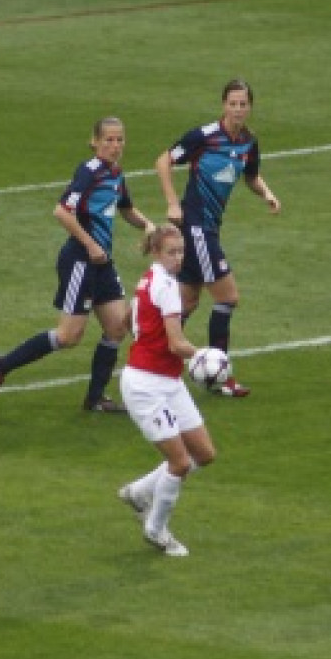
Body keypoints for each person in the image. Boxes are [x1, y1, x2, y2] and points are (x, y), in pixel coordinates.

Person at [0, 116, 156, 414]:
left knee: (117, 328)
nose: (115, 146)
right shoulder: (88, 172)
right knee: (68, 336)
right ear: (95, 142)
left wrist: (148, 225)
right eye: (109, 140)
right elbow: (62, 212)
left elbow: (126, 209)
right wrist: (90, 245)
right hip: (80, 260)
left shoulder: (115, 173)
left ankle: (95, 398)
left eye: (120, 140)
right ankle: (2, 365)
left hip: (102, 263)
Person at [154, 78, 281, 398]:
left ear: (250, 107)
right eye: (233, 104)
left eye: (243, 104)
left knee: (188, 300)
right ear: (223, 105)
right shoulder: (204, 136)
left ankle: (152, 356)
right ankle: (219, 376)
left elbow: (250, 176)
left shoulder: (249, 142)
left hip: (210, 226)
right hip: (196, 227)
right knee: (228, 298)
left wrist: (266, 193)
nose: (238, 110)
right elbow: (163, 161)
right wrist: (172, 202)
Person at [116, 225, 218, 557]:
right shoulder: (167, 287)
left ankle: (140, 492)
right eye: (172, 252)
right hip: (146, 385)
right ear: (158, 252)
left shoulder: (147, 279)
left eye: (181, 252)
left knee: (203, 454)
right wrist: (204, 355)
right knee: (179, 463)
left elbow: (125, 320)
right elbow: (176, 343)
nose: (178, 258)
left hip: (168, 381)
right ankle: (156, 529)